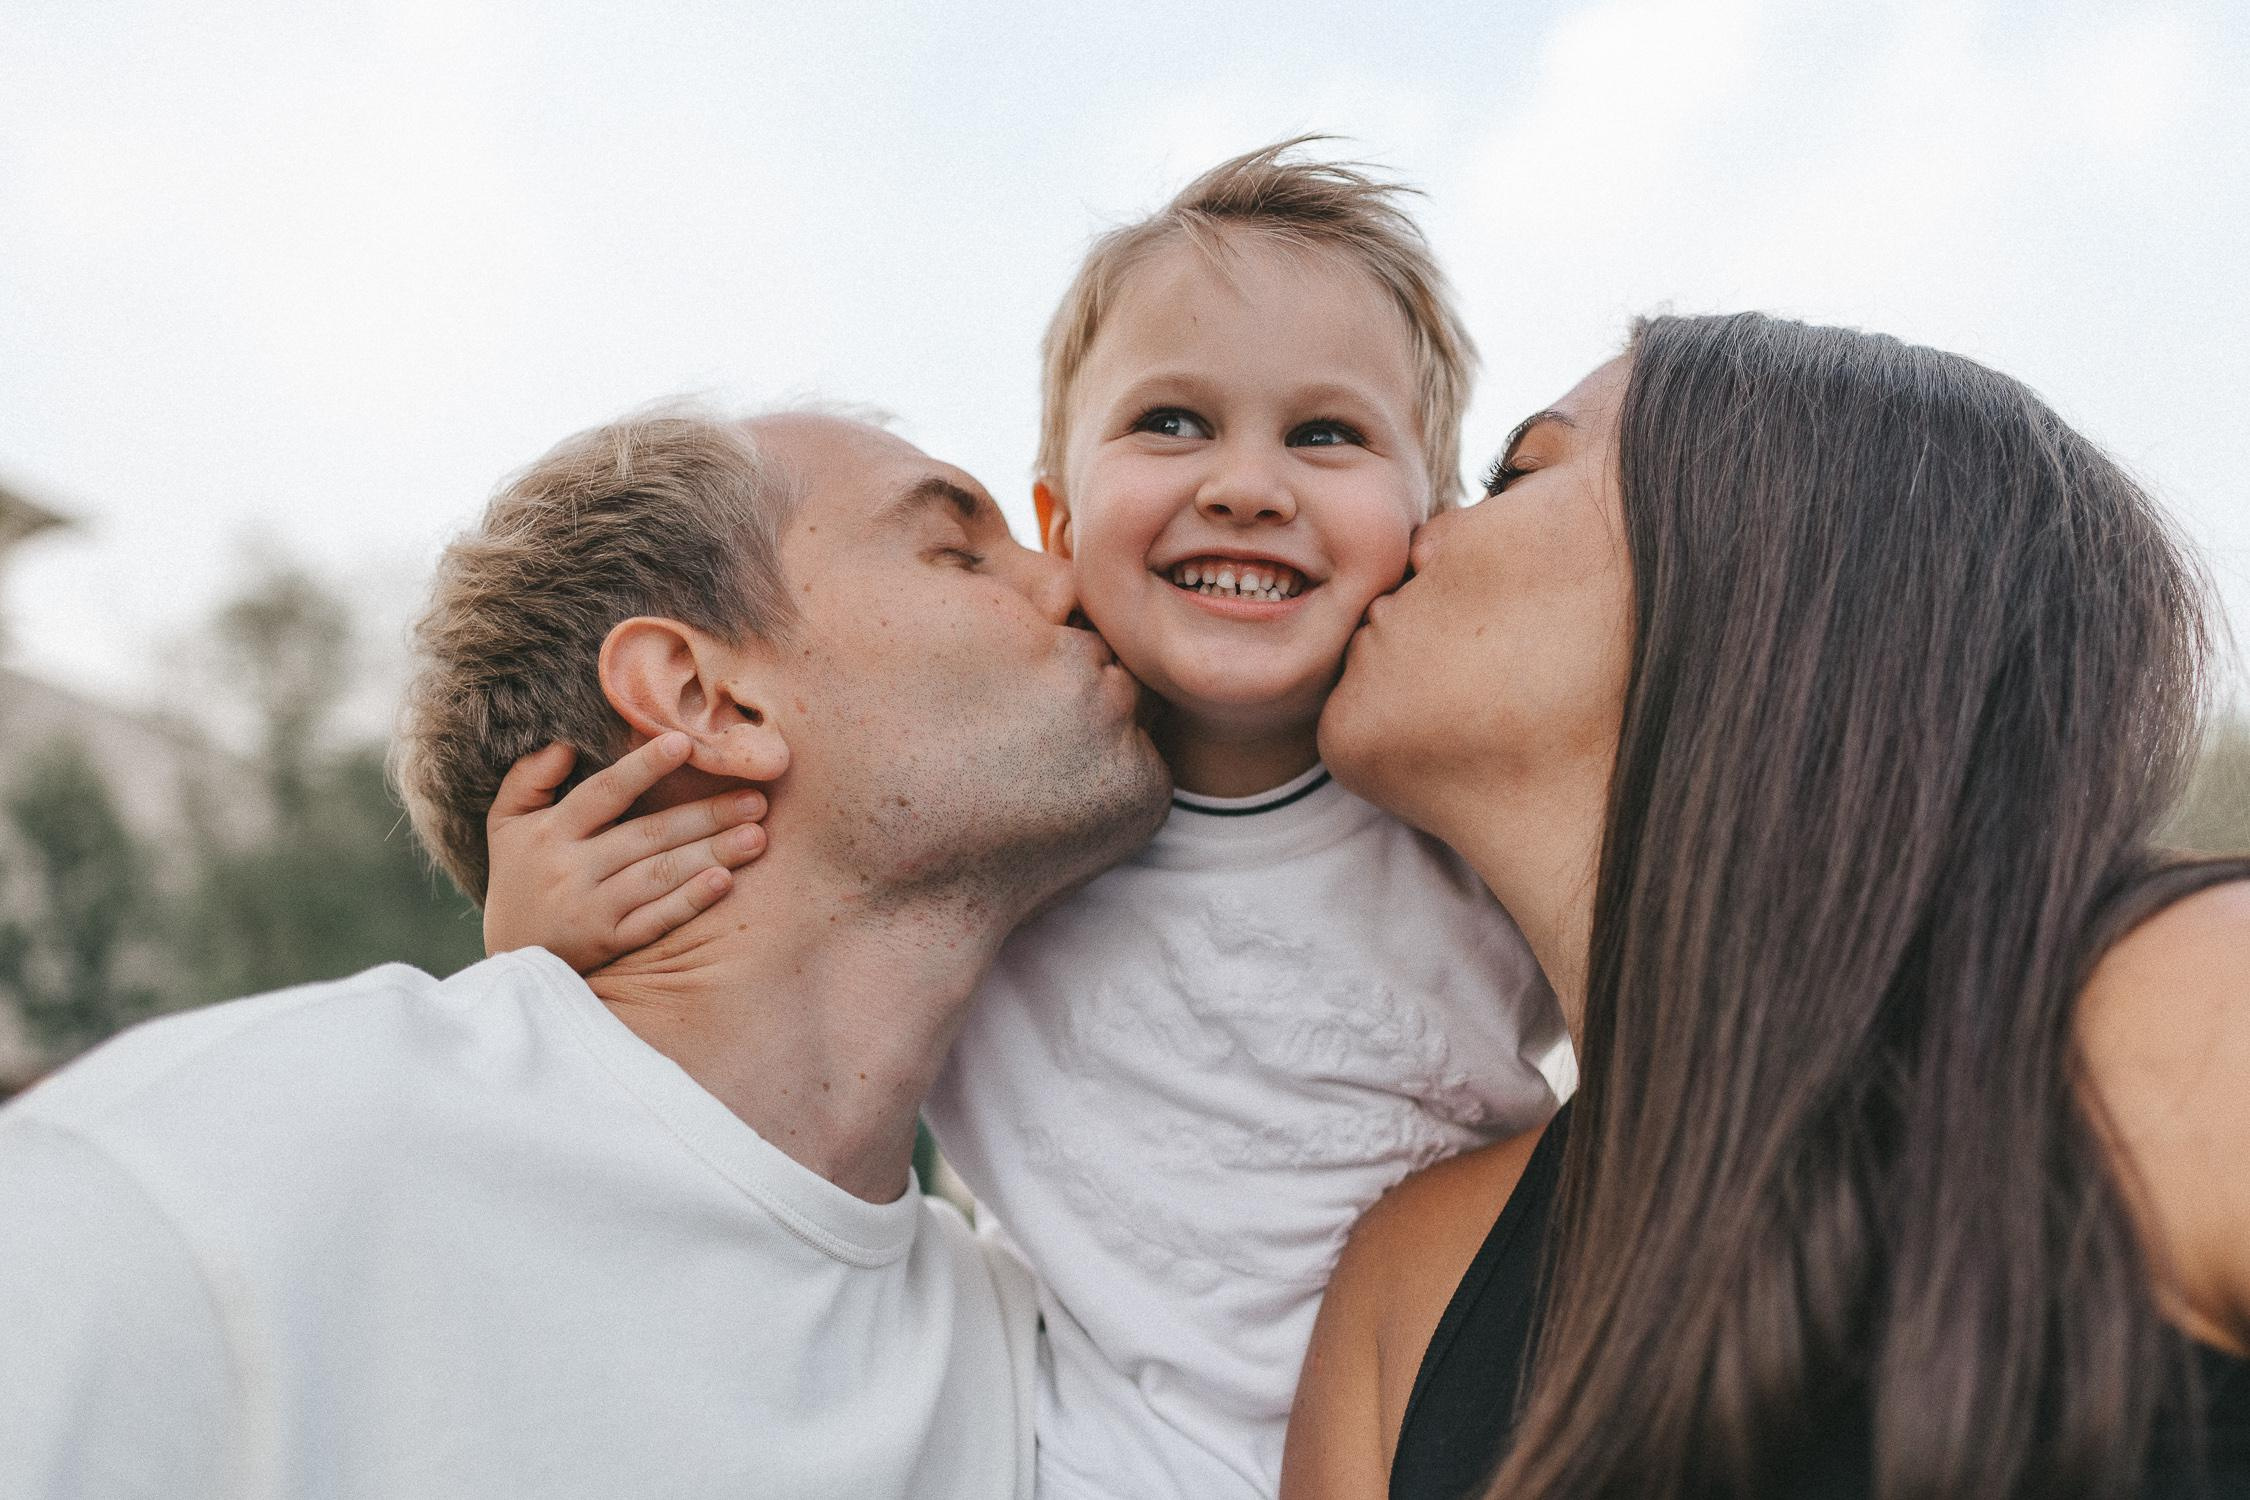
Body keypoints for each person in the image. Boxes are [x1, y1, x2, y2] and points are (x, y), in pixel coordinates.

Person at [485, 140, 1571, 1500]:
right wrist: (535, 950)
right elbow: (753, 989)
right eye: (1170, 423)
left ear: (1426, 525)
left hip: (1487, 1434)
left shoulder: (1451, 813)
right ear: (1057, 521)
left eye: (1325, 434)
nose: (1245, 482)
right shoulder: (1010, 834)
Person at [0, 408, 1170, 1499]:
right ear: (706, 698)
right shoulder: (188, 1189)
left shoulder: (1026, 1364)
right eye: (958, 551)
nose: (1077, 577)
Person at [1284, 312, 2250, 1500]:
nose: (1419, 529)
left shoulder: (2184, 1006)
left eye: (1518, 470)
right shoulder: (1410, 1287)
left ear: (1792, 566)